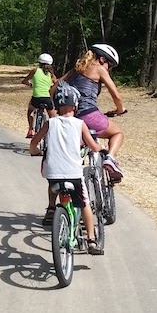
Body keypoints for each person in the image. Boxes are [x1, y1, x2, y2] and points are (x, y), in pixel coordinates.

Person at [30, 82, 104, 255]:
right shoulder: (80, 124)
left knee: (54, 182)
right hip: (74, 174)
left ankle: (52, 209)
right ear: (76, 104)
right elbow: (93, 147)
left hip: (53, 174)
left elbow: (33, 144)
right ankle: (91, 239)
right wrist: (101, 149)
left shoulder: (50, 123)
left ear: (56, 104)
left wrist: (36, 151)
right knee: (84, 203)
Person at [61, 43, 126, 182]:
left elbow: (54, 88)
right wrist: (120, 110)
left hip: (72, 117)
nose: (109, 68)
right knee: (117, 133)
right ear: (102, 59)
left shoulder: (75, 69)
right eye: (110, 64)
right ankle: (110, 158)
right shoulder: (100, 69)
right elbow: (117, 96)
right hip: (89, 114)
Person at [21, 53, 58, 138]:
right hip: (47, 98)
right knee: (53, 117)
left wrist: (31, 85)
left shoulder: (35, 71)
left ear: (39, 62)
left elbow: (24, 81)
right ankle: (53, 133)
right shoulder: (51, 74)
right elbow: (56, 83)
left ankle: (30, 130)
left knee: (30, 110)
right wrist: (50, 88)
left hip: (36, 98)